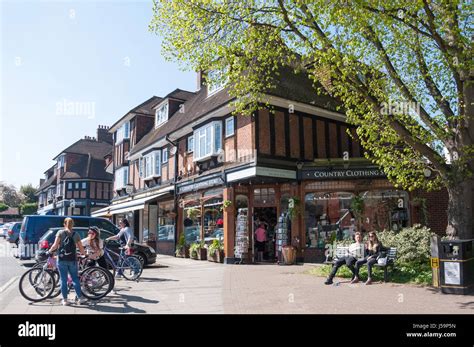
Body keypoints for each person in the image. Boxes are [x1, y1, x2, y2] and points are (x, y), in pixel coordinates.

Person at [47, 217, 87, 306]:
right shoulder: (76, 234)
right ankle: (80, 298)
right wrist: (84, 254)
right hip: (72, 259)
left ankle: (65, 300)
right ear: (73, 224)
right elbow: (80, 248)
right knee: (75, 279)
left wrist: (49, 251)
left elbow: (55, 245)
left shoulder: (60, 233)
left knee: (63, 280)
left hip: (61, 259)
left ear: (64, 224)